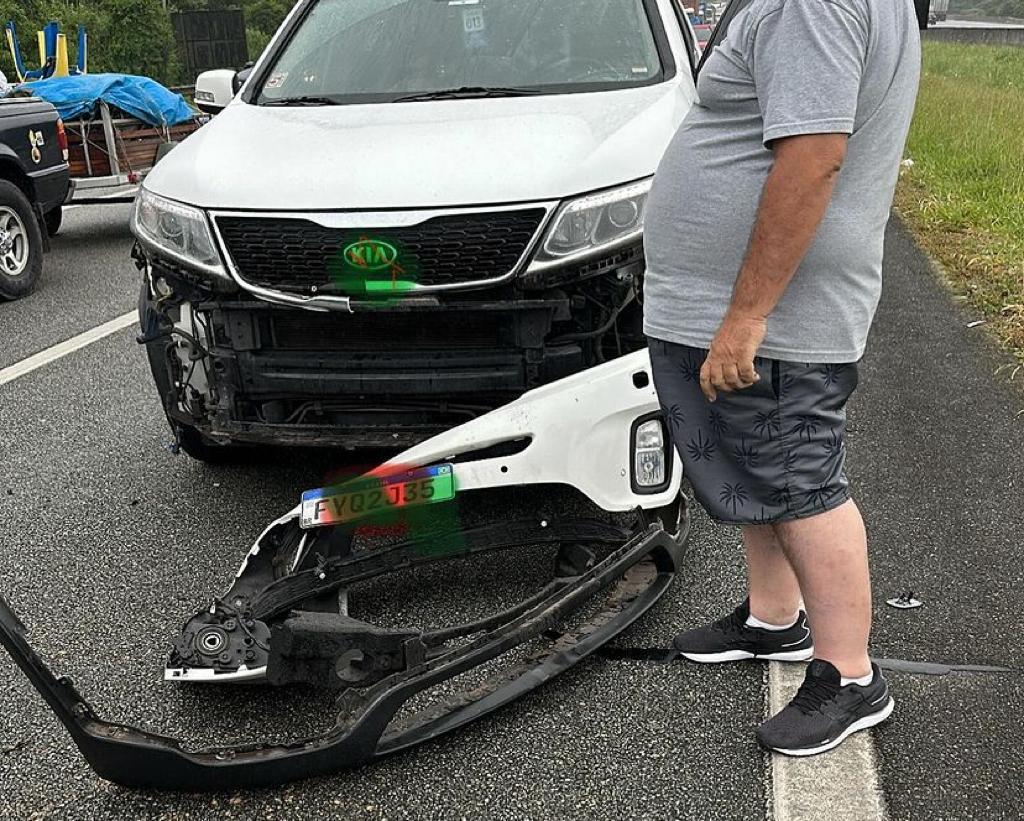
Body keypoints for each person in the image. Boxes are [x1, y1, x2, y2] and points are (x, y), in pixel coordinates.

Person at [642, 0, 920, 756]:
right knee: (762, 469)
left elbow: (815, 153)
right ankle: (774, 620)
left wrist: (747, 313)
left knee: (800, 480)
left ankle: (851, 677)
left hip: (776, 314)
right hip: (745, 307)